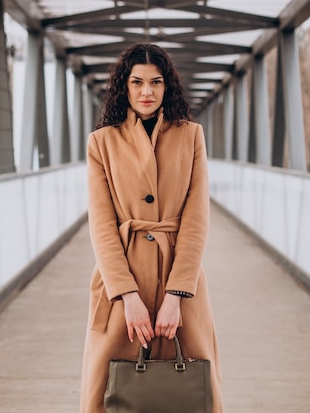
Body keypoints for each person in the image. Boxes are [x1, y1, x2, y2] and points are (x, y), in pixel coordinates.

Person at [79, 42, 224, 413]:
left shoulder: (191, 135)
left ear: (168, 86)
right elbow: (102, 225)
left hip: (181, 283)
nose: (147, 92)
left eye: (156, 82)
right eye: (137, 82)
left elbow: (196, 219)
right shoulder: (102, 142)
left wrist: (177, 295)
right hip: (119, 290)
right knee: (110, 390)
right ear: (124, 87)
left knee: (188, 391)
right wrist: (127, 296)